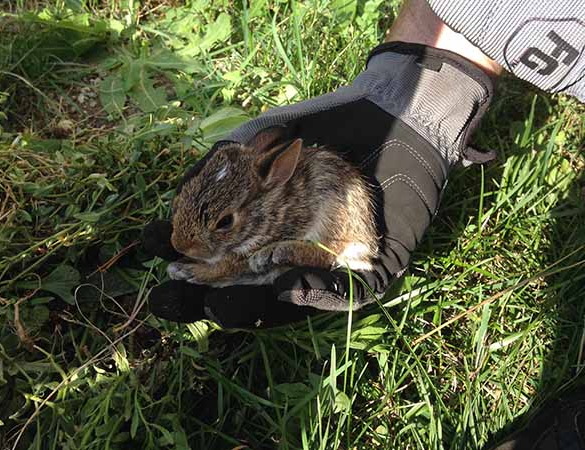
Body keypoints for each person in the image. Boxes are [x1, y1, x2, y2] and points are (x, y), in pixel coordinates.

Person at [150, 1, 584, 448]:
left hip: (337, 229)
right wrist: (421, 85)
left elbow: (257, 251)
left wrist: (231, 261)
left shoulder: (280, 207)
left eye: (224, 222)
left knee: (271, 256)